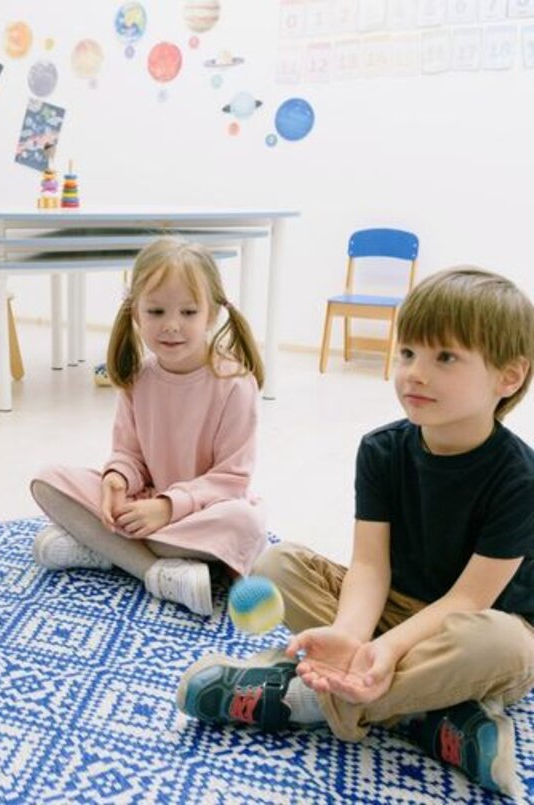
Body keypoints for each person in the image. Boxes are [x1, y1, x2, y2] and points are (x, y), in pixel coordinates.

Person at [177, 268, 534, 797]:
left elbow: (466, 599)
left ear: (508, 377)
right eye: (408, 352)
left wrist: (385, 650)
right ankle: (424, 714)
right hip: (390, 604)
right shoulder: (382, 450)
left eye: (445, 358)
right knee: (277, 565)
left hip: (468, 625)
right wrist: (349, 636)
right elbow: (369, 566)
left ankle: (309, 702)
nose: (415, 373)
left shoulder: (519, 479)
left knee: (507, 647)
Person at [30, 236, 267, 615]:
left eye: (188, 313)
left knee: (245, 524)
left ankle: (104, 548)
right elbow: (129, 453)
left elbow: (231, 481)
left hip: (202, 513)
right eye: (156, 312)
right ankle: (152, 569)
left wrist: (168, 508)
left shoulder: (235, 385)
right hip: (145, 509)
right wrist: (117, 480)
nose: (171, 326)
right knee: (48, 480)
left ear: (213, 314)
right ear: (136, 313)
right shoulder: (138, 378)